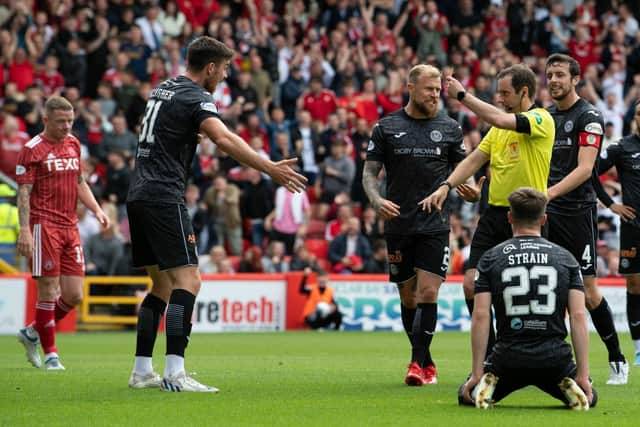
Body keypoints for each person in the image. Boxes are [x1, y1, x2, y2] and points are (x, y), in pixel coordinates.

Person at [125, 36, 306, 393]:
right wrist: (269, 167)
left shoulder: (164, 88)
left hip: (138, 194)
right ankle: (175, 373)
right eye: (223, 69)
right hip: (164, 195)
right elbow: (222, 138)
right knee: (188, 281)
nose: (224, 76)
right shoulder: (197, 95)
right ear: (210, 67)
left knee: (161, 285)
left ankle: (141, 370)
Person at [419, 64, 555, 358]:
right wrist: (447, 186)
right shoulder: (498, 129)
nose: (501, 98)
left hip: (528, 217)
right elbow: (473, 160)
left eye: (506, 93)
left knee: (526, 292)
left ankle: (538, 352)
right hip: (494, 214)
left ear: (524, 92)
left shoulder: (541, 119)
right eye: (499, 93)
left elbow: (502, 119)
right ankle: (494, 354)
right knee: (471, 285)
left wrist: (463, 96)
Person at [363, 64, 466, 385]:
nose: (436, 95)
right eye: (429, 90)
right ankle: (428, 361)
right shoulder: (386, 127)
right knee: (408, 298)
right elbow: (369, 175)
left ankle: (415, 365)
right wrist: (376, 200)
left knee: (428, 292)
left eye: (438, 90)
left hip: (435, 225)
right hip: (397, 224)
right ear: (410, 88)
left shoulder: (451, 128)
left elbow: (465, 171)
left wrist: (472, 187)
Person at [459, 187, 596, 410]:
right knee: (591, 396)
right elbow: (579, 316)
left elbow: (481, 315)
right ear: (543, 219)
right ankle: (570, 384)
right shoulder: (567, 259)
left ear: (509, 217)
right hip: (554, 357)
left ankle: (485, 385)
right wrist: (583, 373)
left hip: (508, 356)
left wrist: (477, 372)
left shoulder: (490, 258)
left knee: (465, 395)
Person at [545, 53, 628, 384]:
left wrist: (548, 194)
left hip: (577, 212)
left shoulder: (589, 116)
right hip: (547, 214)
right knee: (551, 291)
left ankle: (617, 358)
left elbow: (584, 170)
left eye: (560, 75)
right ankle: (555, 363)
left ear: (575, 79)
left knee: (589, 291)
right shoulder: (546, 117)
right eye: (549, 74)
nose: (553, 80)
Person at [15, 96, 110, 371]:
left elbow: (79, 181)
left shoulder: (74, 144)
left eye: (70, 120)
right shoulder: (32, 149)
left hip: (70, 226)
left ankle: (32, 332)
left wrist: (96, 209)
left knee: (74, 295)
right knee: (48, 290)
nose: (67, 126)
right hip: (44, 225)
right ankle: (52, 355)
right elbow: (24, 191)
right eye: (61, 122)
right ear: (46, 120)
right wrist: (24, 230)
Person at [597, 99, 640, 366]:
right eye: (638, 113)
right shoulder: (622, 148)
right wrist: (612, 204)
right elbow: (589, 172)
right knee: (635, 285)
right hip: (633, 228)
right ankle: (638, 349)